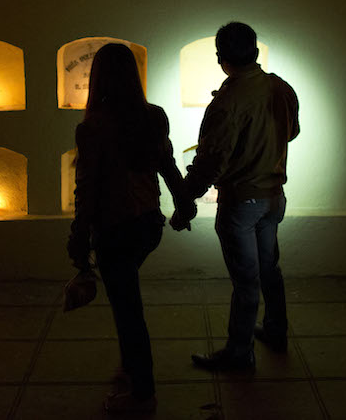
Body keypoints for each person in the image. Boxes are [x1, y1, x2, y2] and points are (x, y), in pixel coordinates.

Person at [66, 43, 185, 413]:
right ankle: (131, 367)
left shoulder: (93, 127)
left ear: (98, 78)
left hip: (114, 228)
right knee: (127, 298)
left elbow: (87, 188)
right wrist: (184, 204)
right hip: (148, 224)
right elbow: (167, 165)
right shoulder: (154, 116)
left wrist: (79, 235)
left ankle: (142, 393)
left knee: (128, 311)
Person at [177, 22, 300, 371]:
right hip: (274, 196)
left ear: (221, 59)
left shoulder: (227, 101)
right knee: (269, 269)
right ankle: (276, 330)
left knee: (246, 280)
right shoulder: (280, 87)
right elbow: (292, 132)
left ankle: (239, 353)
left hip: (241, 201)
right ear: (256, 53)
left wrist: (185, 201)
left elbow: (210, 161)